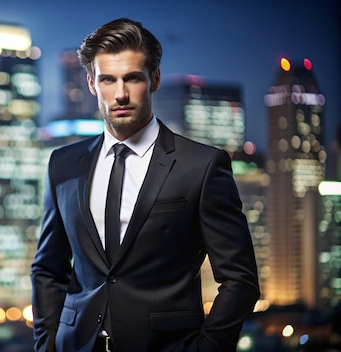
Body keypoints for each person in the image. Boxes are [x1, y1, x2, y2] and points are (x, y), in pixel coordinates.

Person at [30, 18, 260, 352]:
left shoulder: (202, 166)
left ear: (154, 80)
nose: (120, 93)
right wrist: (47, 346)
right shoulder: (63, 164)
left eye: (132, 78)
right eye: (108, 79)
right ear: (92, 84)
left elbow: (240, 279)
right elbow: (48, 270)